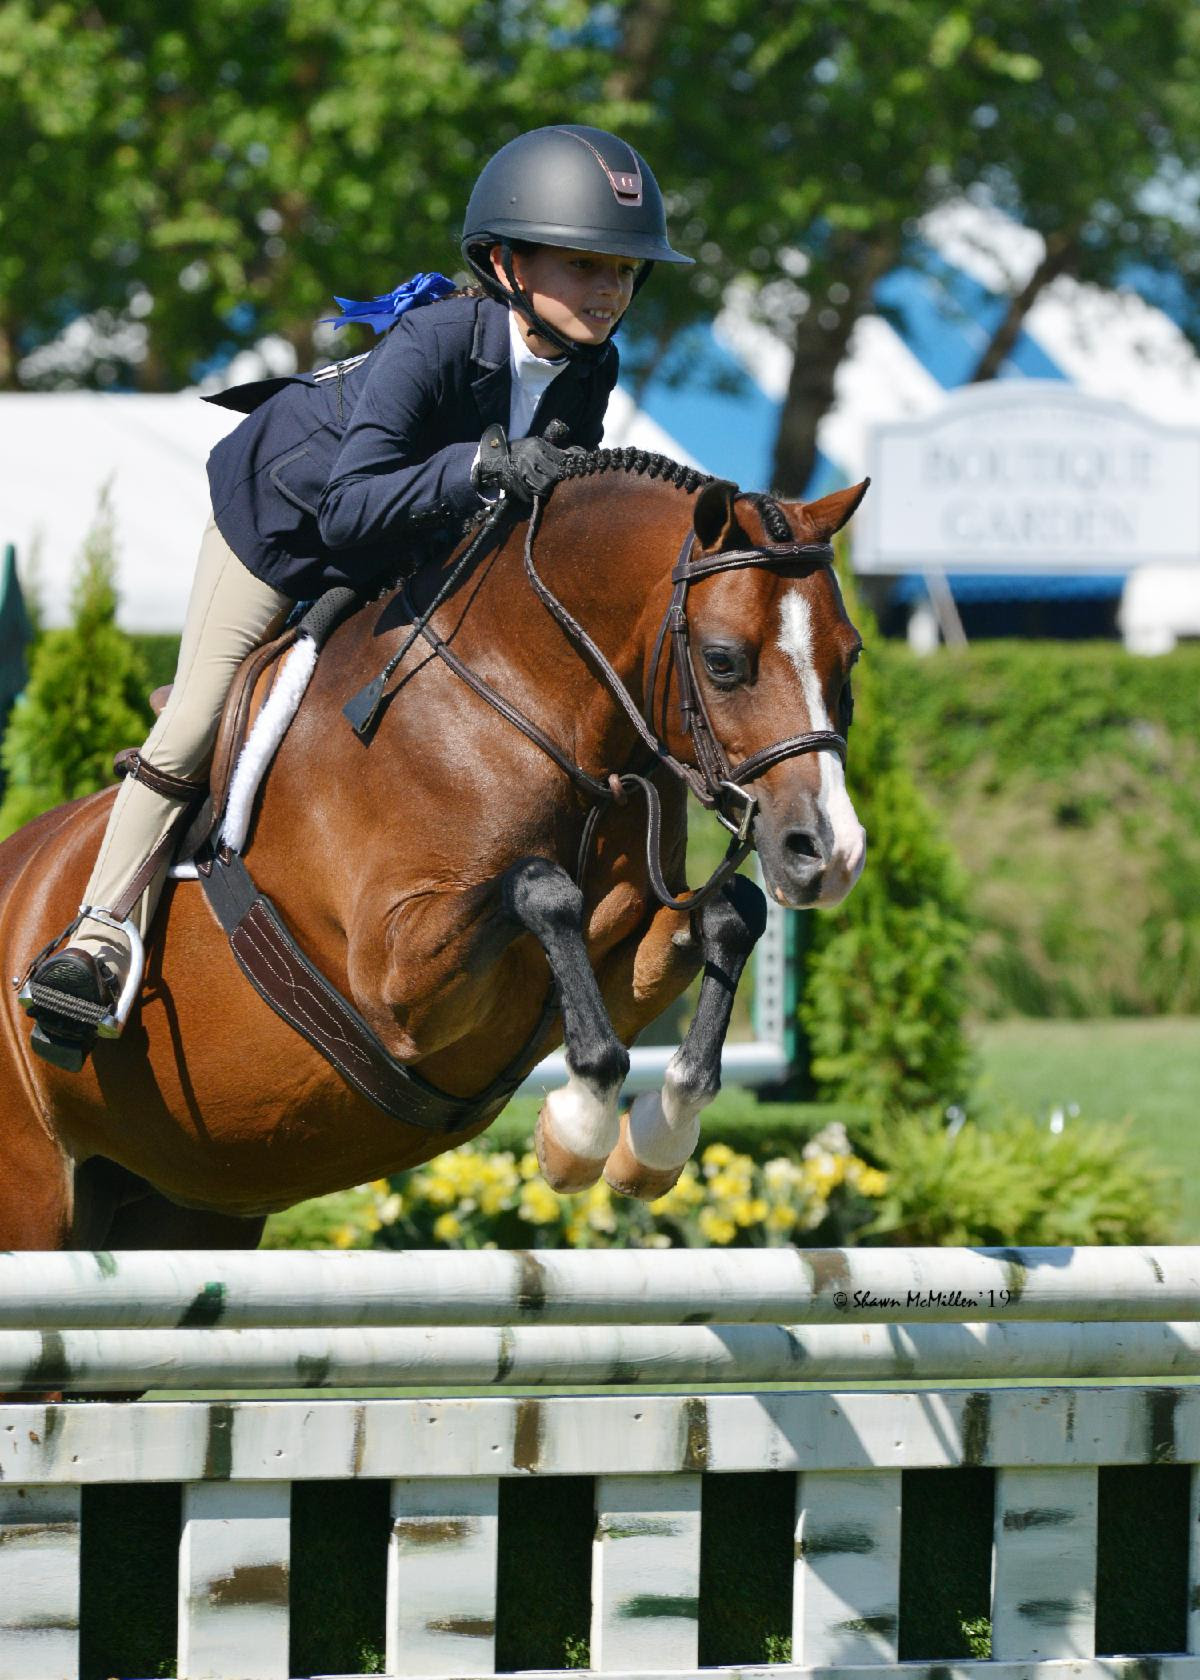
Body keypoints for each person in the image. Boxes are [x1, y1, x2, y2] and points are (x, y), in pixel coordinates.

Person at [22, 124, 692, 1071]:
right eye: (585, 265)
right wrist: (483, 464)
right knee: (199, 721)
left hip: (406, 536)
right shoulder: (434, 340)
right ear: (504, 263)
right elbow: (348, 509)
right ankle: (93, 939)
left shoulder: (591, 367)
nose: (610, 290)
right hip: (286, 526)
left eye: (625, 272)